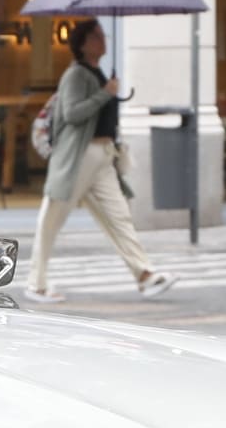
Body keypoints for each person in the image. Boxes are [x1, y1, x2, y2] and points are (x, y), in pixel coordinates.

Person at [26, 19, 173, 301]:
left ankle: (144, 273)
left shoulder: (97, 73)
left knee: (119, 216)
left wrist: (109, 92)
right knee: (52, 219)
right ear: (82, 43)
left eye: (102, 35)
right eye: (96, 36)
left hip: (103, 156)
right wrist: (104, 94)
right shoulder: (76, 75)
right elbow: (71, 114)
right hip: (79, 157)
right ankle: (36, 283)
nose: (102, 40)